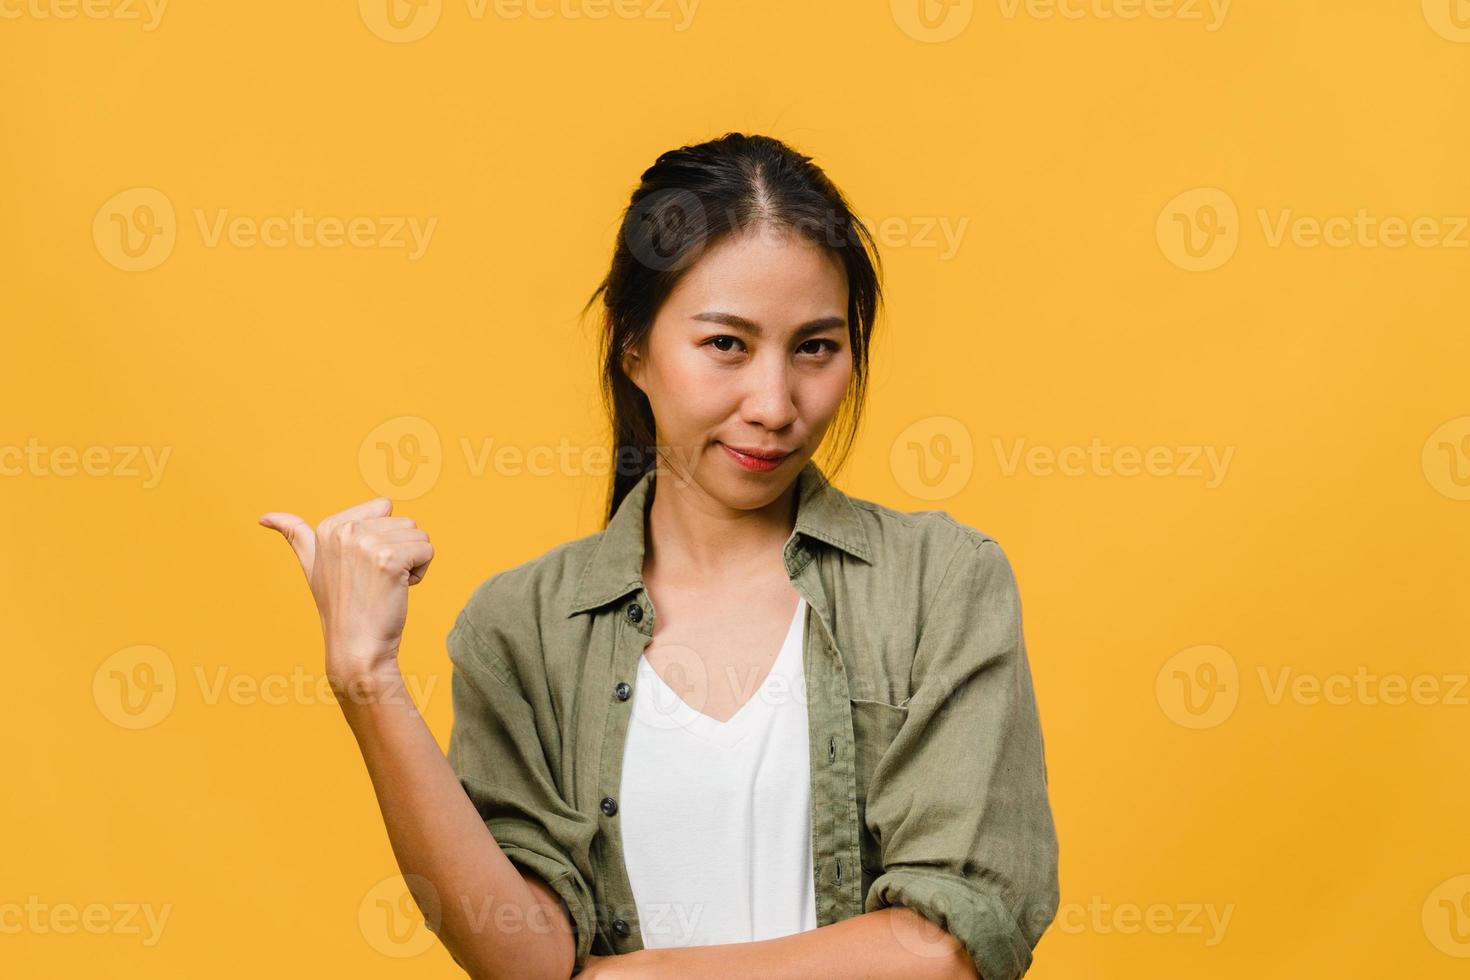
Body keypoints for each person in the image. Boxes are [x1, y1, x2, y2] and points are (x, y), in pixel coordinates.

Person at [259, 132, 1059, 980]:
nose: (774, 403)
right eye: (726, 345)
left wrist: (644, 977)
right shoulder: (523, 625)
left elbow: (954, 942)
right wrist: (368, 681)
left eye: (815, 347)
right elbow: (522, 956)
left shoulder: (940, 583)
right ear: (630, 345)